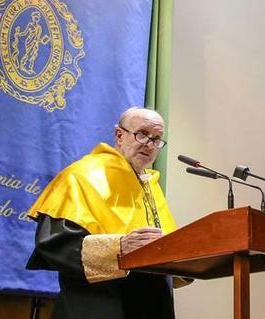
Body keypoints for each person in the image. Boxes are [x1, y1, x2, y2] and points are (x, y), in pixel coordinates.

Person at [26, 108, 182, 319]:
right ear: (119, 135)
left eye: (156, 139)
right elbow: (54, 242)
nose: (149, 144)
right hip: (98, 304)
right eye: (142, 134)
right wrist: (117, 248)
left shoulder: (150, 186)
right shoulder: (82, 175)